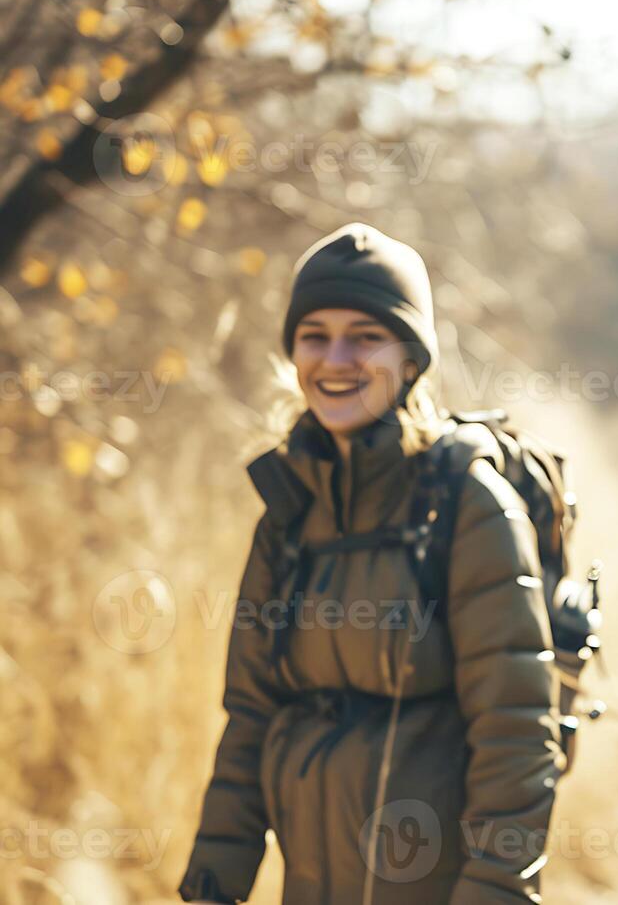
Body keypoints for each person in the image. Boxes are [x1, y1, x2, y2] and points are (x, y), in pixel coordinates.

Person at [178, 223, 563, 904]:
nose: (336, 358)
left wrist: (495, 890)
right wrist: (215, 881)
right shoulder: (288, 512)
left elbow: (516, 736)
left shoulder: (468, 504)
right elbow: (251, 715)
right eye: (314, 335)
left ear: (412, 359)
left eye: (366, 336)